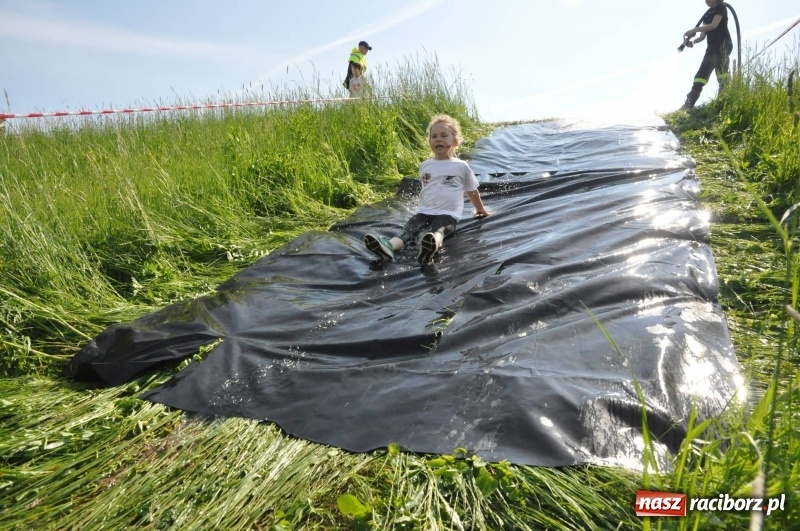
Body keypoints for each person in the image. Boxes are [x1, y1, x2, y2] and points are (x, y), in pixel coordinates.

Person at [364, 114, 490, 266]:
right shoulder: (425, 165)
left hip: (448, 214)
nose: (438, 139)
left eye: (444, 135)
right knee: (408, 230)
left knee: (440, 230)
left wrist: (480, 209)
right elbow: (427, 188)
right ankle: (388, 247)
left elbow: (471, 190)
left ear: (455, 141)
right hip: (424, 211)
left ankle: (430, 247)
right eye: (434, 136)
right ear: (429, 141)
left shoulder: (461, 166)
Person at [680, 0, 733, 110]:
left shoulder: (721, 7)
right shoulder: (708, 14)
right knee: (700, 76)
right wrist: (692, 42)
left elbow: (713, 26)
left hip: (722, 45)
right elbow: (702, 36)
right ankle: (688, 105)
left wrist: (694, 29)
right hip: (712, 48)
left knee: (722, 74)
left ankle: (723, 105)